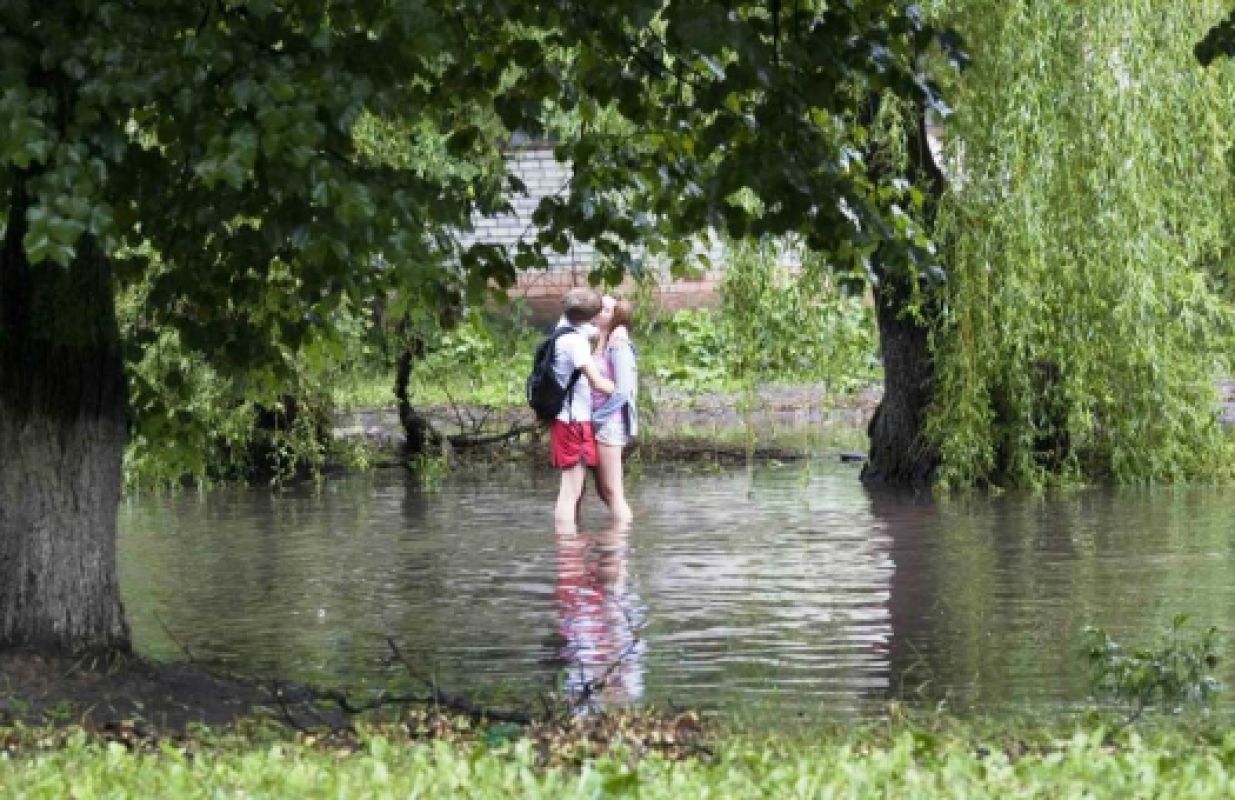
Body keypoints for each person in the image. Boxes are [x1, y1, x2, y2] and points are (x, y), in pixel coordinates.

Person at [550, 288, 615, 531]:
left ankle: (571, 550)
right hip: (572, 421)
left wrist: (614, 330)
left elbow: (595, 331)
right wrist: (622, 390)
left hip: (566, 420)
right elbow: (597, 382)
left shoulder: (564, 327)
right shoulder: (575, 343)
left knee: (573, 489)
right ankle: (568, 551)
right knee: (571, 490)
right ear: (589, 316)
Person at [591, 298, 637, 525]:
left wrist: (596, 420)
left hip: (609, 422)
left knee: (612, 490)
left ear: (615, 317)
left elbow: (623, 392)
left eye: (606, 309)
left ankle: (621, 546)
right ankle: (611, 547)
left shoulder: (618, 345)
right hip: (599, 421)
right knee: (602, 490)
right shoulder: (598, 338)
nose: (599, 311)